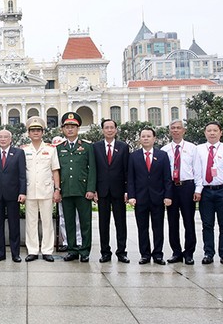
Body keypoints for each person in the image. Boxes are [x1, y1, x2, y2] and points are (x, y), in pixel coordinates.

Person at [192, 121, 223, 266]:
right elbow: (197, 171)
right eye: (209, 130)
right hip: (206, 191)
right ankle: (208, 253)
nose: (212, 133)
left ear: (221, 132)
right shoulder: (198, 149)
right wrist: (198, 190)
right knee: (207, 224)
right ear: (205, 133)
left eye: (215, 130)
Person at [128, 127, 172, 265]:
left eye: (148, 136)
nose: (146, 138)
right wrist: (131, 196)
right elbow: (131, 178)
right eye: (143, 136)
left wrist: (168, 195)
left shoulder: (162, 155)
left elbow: (167, 178)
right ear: (140, 139)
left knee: (158, 227)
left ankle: (158, 254)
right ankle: (145, 254)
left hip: (158, 198)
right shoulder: (134, 156)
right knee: (142, 228)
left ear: (154, 139)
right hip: (140, 198)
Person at [57, 112, 96, 262]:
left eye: (73, 126)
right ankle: (72, 249)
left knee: (85, 222)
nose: (70, 129)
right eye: (67, 127)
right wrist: (58, 190)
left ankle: (85, 250)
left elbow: (92, 169)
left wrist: (91, 189)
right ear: (63, 130)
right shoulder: (59, 148)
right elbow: (57, 170)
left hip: (82, 190)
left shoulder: (87, 147)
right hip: (66, 190)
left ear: (78, 128)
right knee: (69, 221)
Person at [22, 117, 61, 262]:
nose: (36, 133)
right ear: (29, 133)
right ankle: (32, 250)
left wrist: (57, 189)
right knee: (31, 222)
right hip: (30, 191)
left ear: (43, 132)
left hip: (46, 191)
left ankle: (46, 250)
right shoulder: (24, 150)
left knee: (47, 221)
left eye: (38, 130)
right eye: (33, 130)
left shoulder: (51, 149)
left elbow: (55, 170)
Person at [160, 119, 198, 265]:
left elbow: (197, 170)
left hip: (187, 186)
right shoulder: (164, 150)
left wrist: (198, 189)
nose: (175, 130)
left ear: (184, 130)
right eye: (173, 128)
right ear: (170, 131)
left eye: (178, 128)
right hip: (170, 188)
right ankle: (176, 252)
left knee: (189, 221)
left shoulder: (192, 148)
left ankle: (189, 253)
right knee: (172, 221)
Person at [93, 119, 130, 263]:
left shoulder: (123, 147)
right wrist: (94, 189)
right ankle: (105, 252)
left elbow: (127, 171)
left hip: (119, 191)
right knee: (103, 223)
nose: (109, 130)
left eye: (111, 127)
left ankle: (121, 252)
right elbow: (94, 170)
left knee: (121, 223)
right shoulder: (95, 147)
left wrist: (127, 190)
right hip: (102, 191)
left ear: (116, 130)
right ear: (102, 130)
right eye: (106, 128)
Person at [0, 129, 26, 262]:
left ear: (11, 139)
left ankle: (15, 254)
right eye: (0, 137)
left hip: (13, 194)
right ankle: (0, 253)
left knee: (14, 224)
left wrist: (22, 192)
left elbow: (22, 175)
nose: (3, 139)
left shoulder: (19, 153)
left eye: (5, 137)